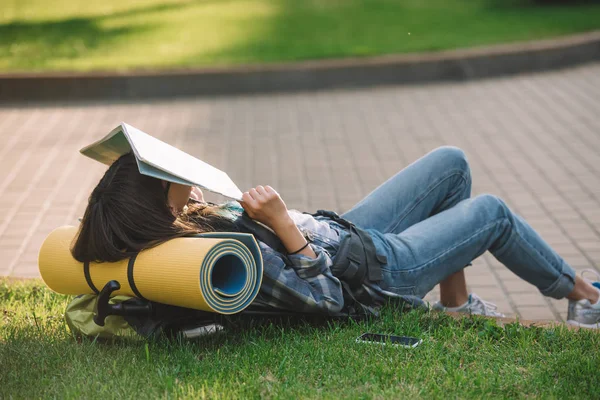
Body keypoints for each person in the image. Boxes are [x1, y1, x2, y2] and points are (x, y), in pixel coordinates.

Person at [71, 146, 600, 328]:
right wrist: (279, 222)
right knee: (491, 213)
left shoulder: (186, 222)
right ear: (160, 205)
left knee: (451, 166)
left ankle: (457, 306)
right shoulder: (226, 257)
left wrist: (253, 213)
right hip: (374, 273)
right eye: (172, 183)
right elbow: (325, 300)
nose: (184, 182)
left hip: (345, 232)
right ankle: (585, 299)